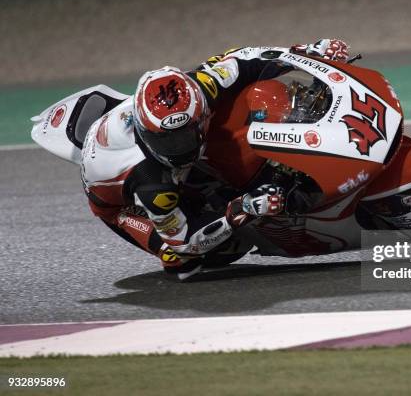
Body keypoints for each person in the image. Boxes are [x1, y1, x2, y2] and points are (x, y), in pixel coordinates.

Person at [80, 39, 350, 281]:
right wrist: (243, 208)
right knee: (183, 262)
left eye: (186, 135)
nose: (179, 148)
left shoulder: (199, 88)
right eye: (169, 141)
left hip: (135, 136)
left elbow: (243, 57)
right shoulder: (151, 182)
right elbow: (184, 242)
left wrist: (305, 53)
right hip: (119, 205)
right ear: (145, 131)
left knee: (237, 93)